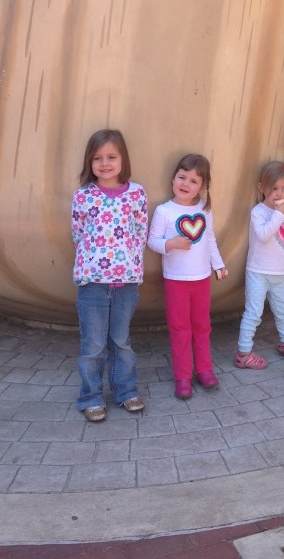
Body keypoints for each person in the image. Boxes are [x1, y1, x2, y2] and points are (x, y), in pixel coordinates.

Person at [71, 129, 147, 422]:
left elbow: (140, 233)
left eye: (111, 157)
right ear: (89, 162)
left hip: (126, 283)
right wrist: (95, 265)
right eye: (97, 158)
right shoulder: (83, 197)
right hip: (92, 283)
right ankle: (90, 397)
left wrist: (130, 267)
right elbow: (78, 234)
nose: (105, 163)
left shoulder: (137, 194)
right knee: (93, 345)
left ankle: (125, 392)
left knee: (121, 341)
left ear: (122, 159)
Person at [148, 153, 228, 399]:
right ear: (173, 178)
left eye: (194, 181)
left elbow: (210, 239)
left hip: (201, 279)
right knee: (180, 328)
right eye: (182, 177)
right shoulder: (164, 211)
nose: (186, 184)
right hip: (176, 280)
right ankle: (183, 375)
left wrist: (218, 264)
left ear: (202, 187)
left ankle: (204, 369)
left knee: (202, 326)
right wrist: (170, 244)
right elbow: (152, 241)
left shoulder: (205, 209)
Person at [235, 161, 284, 369]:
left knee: (282, 310)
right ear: (262, 187)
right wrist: (278, 215)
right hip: (258, 271)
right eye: (274, 188)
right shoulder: (259, 212)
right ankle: (243, 353)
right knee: (253, 313)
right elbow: (263, 235)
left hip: (279, 273)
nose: (279, 193)